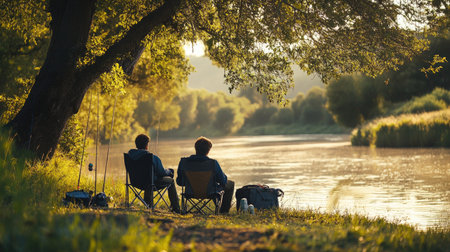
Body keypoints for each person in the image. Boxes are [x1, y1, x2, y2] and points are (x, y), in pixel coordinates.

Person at [176, 136, 235, 213]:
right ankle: (223, 212)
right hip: (210, 192)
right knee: (230, 184)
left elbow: (180, 182)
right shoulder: (213, 163)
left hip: (189, 192)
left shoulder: (184, 162)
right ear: (208, 150)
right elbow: (223, 181)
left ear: (195, 148)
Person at [128, 134, 180, 213]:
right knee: (170, 181)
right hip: (150, 183)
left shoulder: (130, 155)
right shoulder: (151, 157)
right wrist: (169, 171)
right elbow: (161, 173)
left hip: (135, 182)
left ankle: (148, 204)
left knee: (148, 178)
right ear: (147, 145)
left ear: (136, 144)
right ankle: (176, 209)